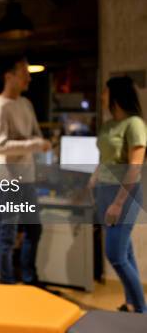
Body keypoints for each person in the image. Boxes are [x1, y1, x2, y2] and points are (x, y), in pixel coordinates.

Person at [0, 56, 51, 285]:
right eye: (24, 73)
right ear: (9, 76)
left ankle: (29, 278)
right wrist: (34, 144)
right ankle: (7, 282)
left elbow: (36, 135)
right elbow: (0, 146)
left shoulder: (26, 104)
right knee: (8, 234)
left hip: (28, 177)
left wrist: (34, 143)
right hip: (9, 179)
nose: (29, 78)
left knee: (34, 230)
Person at [88, 76, 146, 313]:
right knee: (126, 250)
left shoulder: (135, 124)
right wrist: (93, 180)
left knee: (116, 255)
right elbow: (104, 159)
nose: (102, 96)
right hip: (104, 191)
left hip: (125, 195)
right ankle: (131, 303)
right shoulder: (108, 125)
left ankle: (142, 311)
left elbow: (134, 167)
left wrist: (118, 203)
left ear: (116, 95)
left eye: (105, 92)